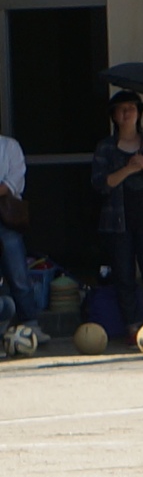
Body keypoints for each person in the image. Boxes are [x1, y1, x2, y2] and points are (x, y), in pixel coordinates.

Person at [91, 90, 143, 345]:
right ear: (114, 116)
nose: (127, 113)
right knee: (124, 277)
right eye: (121, 109)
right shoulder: (106, 147)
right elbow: (100, 184)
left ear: (139, 113)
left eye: (132, 108)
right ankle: (131, 327)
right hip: (118, 223)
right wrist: (128, 169)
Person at [0, 133, 48, 344]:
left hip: (6, 217)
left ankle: (31, 325)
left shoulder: (9, 146)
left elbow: (12, 184)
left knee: (18, 273)